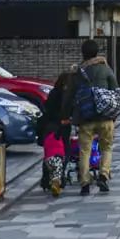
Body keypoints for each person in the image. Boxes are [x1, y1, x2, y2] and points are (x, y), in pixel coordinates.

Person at [73, 39, 119, 195]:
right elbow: (115, 91)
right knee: (106, 148)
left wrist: (71, 117)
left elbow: (73, 96)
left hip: (86, 118)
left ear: (83, 53)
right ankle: (104, 175)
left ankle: (85, 183)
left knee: (84, 151)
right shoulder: (105, 70)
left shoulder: (79, 72)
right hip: (105, 117)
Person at [38, 68, 77, 197]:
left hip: (53, 128)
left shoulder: (55, 93)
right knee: (61, 153)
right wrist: (64, 121)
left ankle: (50, 180)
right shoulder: (62, 95)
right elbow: (52, 113)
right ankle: (57, 179)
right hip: (56, 128)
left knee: (50, 155)